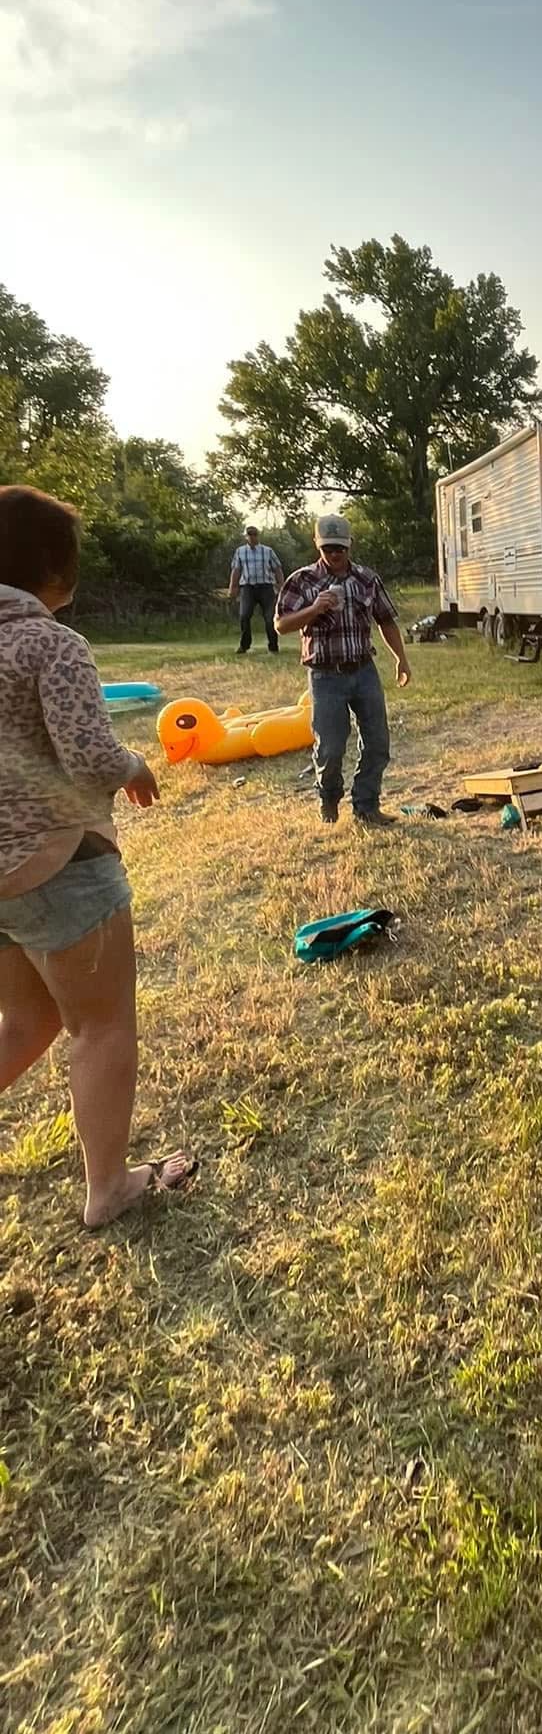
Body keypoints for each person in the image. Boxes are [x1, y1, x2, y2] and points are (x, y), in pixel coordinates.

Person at [0, 486, 197, 1228]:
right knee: (102, 1026)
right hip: (59, 865)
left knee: (24, 1022)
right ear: (54, 563)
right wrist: (135, 766)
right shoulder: (53, 643)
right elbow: (86, 754)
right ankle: (107, 1189)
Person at [276, 514, 411, 826]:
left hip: (363, 669)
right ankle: (329, 797)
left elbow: (386, 620)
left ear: (350, 545)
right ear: (317, 545)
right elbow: (281, 625)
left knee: (377, 742)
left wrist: (401, 659)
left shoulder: (367, 579)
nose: (335, 554)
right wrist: (313, 609)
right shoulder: (302, 580)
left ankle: (366, 806)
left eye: (340, 548)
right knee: (332, 746)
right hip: (325, 674)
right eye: (328, 548)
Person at [227, 524, 284, 655]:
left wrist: (281, 583)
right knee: (244, 615)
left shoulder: (267, 551)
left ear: (258, 536)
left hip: (266, 587)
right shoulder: (240, 551)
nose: (252, 537)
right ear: (246, 536)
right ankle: (244, 645)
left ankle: (273, 647)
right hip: (248, 587)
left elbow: (277, 568)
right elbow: (236, 570)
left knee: (270, 617)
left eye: (254, 534)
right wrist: (233, 587)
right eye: (249, 534)